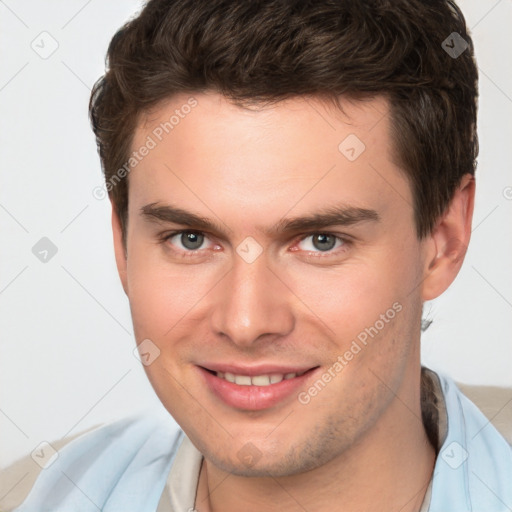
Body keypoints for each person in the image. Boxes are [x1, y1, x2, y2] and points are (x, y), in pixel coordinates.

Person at [14, 0, 512, 510]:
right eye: (190, 238)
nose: (246, 322)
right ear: (122, 244)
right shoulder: (34, 495)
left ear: (444, 240)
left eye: (321, 241)